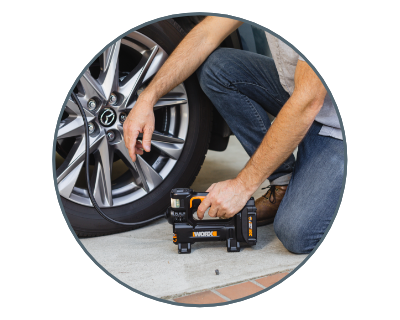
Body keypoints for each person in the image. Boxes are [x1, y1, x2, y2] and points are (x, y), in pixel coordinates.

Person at [123, 17, 344, 254]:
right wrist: (147, 98)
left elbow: (308, 103)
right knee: (218, 69)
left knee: (297, 233)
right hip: (303, 93)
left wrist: (242, 185)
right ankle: (283, 182)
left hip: (332, 124)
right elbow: (206, 34)